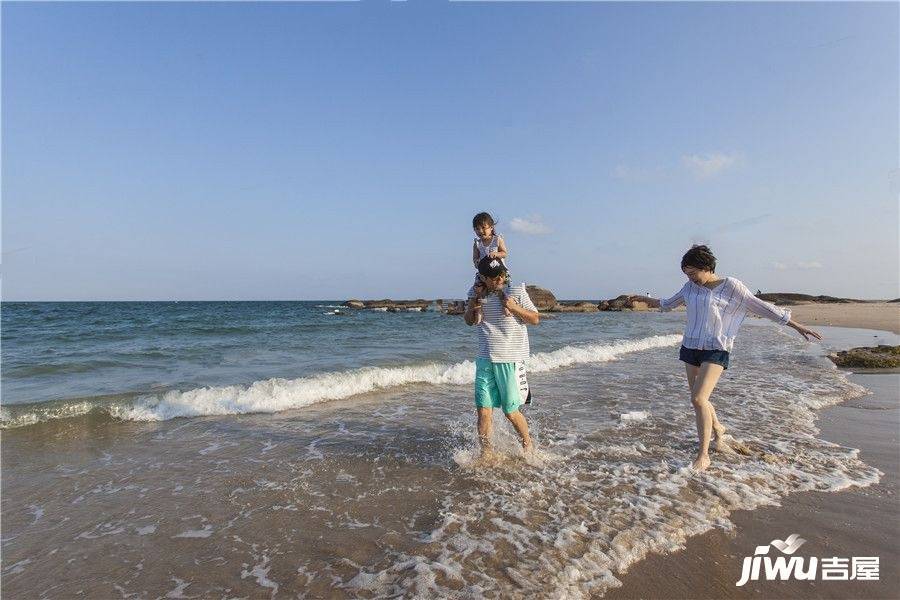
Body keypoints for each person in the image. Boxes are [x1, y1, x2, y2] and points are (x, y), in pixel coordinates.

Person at [658, 244, 822, 472]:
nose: (691, 278)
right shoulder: (689, 288)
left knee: (698, 399)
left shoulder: (731, 286)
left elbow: (761, 307)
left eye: (693, 273)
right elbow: (668, 303)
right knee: (700, 399)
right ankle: (718, 429)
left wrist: (795, 325)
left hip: (716, 348)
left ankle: (703, 455)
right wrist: (640, 299)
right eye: (687, 274)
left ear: (706, 267)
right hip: (690, 347)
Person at [464, 255, 540, 458]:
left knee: (510, 412)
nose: (499, 280)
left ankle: (528, 446)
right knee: (483, 412)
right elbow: (469, 321)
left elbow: (535, 319)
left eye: (501, 274)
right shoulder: (476, 292)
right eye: (493, 277)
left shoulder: (516, 291)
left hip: (510, 359)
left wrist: (514, 307)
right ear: (482, 277)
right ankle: (486, 454)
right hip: (484, 359)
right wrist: (475, 299)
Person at [472, 212, 511, 315]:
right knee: (479, 291)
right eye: (477, 229)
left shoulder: (497, 239)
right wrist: (477, 262)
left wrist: (496, 254)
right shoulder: (477, 243)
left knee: (502, 289)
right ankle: (480, 310)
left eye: (483, 228)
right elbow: (475, 258)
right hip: (484, 272)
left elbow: (504, 253)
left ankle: (505, 306)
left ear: (491, 227)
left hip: (499, 271)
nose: (480, 231)